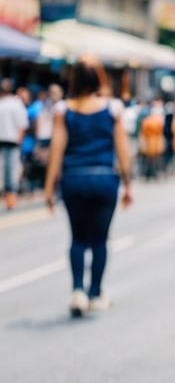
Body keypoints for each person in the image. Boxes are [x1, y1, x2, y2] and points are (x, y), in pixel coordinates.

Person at [44, 56, 133, 316]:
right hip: (105, 178)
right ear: (99, 78)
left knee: (78, 238)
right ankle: (95, 293)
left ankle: (77, 291)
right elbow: (123, 152)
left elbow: (56, 152)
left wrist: (49, 189)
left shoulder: (63, 110)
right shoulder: (113, 108)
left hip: (74, 178)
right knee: (100, 239)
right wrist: (128, 184)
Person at [0, 78, 30, 209]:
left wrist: (19, 139)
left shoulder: (14, 104)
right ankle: (9, 199)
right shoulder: (16, 104)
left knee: (10, 171)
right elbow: (23, 126)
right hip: (10, 141)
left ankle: (10, 199)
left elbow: (22, 126)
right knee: (9, 171)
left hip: (11, 141)